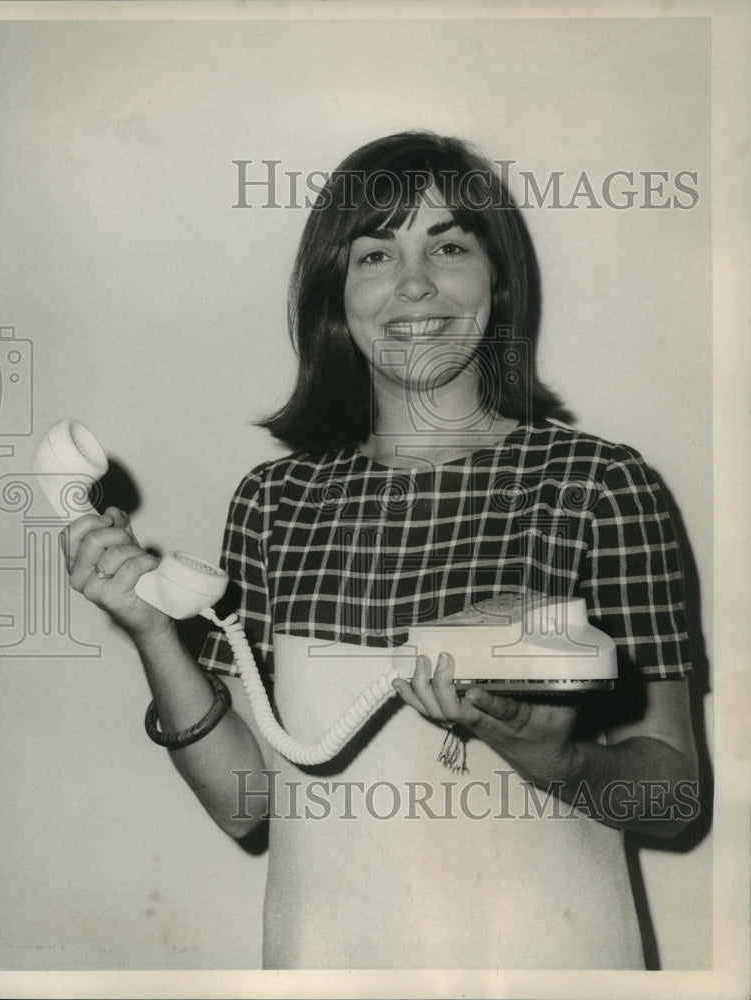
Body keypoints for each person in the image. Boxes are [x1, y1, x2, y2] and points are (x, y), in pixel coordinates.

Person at [62, 131, 699, 970]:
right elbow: (248, 803)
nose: (414, 283)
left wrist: (559, 759)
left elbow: (675, 797)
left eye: (450, 245)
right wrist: (152, 634)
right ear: (339, 293)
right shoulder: (274, 502)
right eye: (375, 253)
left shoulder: (598, 485)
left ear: (498, 281)